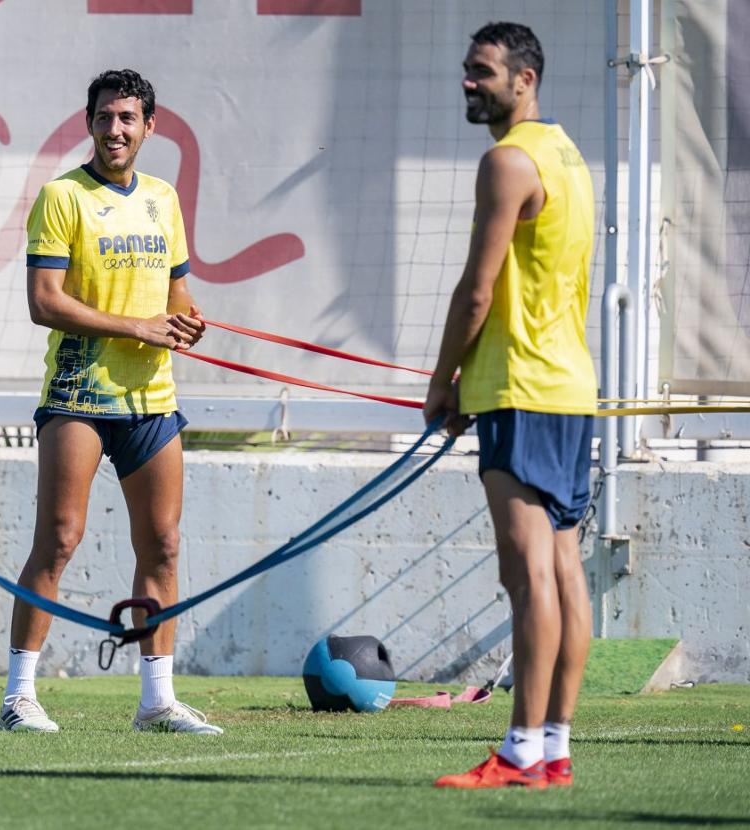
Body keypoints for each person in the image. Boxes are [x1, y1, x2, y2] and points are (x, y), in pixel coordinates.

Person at [0, 69, 220, 735]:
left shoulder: (162, 198)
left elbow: (177, 291)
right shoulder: (62, 196)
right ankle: (18, 697)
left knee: (164, 546)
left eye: (127, 118)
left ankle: (157, 703)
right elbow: (45, 303)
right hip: (78, 394)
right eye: (104, 117)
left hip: (152, 397)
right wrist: (137, 327)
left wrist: (186, 320)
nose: (114, 129)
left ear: (150, 126)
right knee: (59, 538)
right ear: (88, 122)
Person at [424, 22, 596, 789]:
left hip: (520, 390)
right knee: (562, 573)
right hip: (568, 390)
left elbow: (477, 290)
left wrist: (443, 381)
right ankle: (553, 748)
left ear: (524, 79)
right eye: (467, 69)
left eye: (483, 71)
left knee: (528, 577)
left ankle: (522, 750)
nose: (469, 82)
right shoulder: (566, 155)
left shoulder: (508, 161)